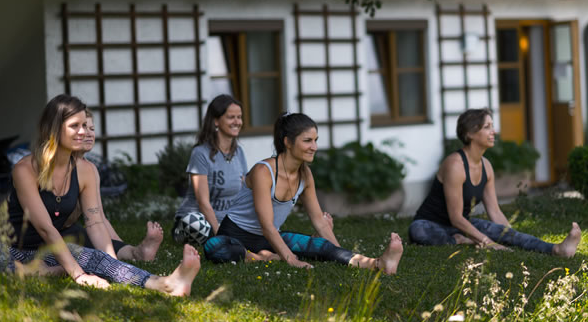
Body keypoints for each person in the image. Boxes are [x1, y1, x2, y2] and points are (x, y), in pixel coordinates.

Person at [0, 94, 200, 296]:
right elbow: (45, 228)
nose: (84, 132)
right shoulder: (25, 169)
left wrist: (114, 267)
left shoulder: (86, 170)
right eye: (75, 126)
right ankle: (46, 271)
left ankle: (165, 283)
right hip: (3, 246)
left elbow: (96, 223)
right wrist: (79, 275)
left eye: (85, 126)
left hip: (43, 250)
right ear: (54, 129)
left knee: (92, 255)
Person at [215, 111, 403, 273]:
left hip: (269, 240)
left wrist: (337, 253)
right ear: (288, 142)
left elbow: (319, 222)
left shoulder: (305, 175)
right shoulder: (263, 172)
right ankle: (264, 257)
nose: (314, 147)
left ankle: (379, 263)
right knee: (214, 248)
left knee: (319, 246)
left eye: (315, 140)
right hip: (235, 236)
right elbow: (267, 226)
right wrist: (292, 260)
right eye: (307, 141)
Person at [409, 108, 581, 257]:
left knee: (503, 231)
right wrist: (489, 243)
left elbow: (495, 211)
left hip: (463, 226)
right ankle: (462, 240)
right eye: (487, 127)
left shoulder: (486, 166)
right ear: (470, 134)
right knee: (418, 231)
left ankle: (558, 249)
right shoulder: (455, 165)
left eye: (492, 126)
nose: (494, 132)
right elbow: (455, 218)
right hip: (432, 224)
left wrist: (509, 236)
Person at [62, 111, 163, 262]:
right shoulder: (60, 168)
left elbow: (99, 218)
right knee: (85, 251)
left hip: (72, 231)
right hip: (48, 236)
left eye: (92, 129)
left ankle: (138, 253)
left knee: (100, 243)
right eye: (82, 128)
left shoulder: (90, 169)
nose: (89, 133)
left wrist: (119, 245)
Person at [173, 95, 248, 243]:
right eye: (231, 117)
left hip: (226, 221)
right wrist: (220, 232)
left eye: (239, 117)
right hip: (197, 220)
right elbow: (203, 202)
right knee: (196, 223)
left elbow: (244, 195)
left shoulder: (238, 152)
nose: (237, 122)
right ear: (216, 121)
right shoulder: (200, 153)